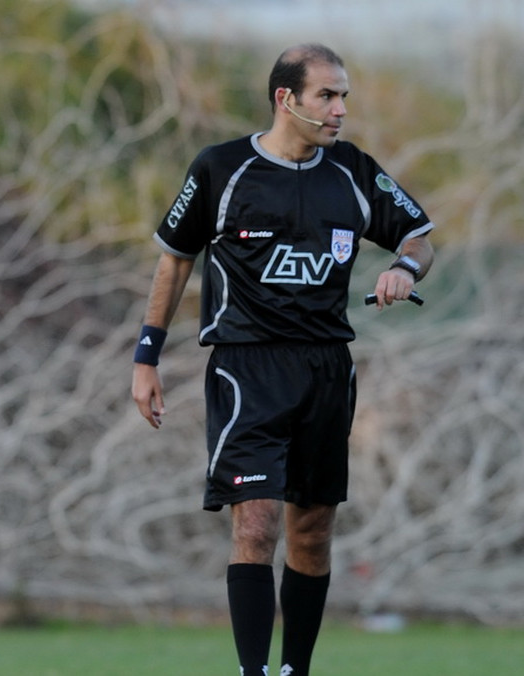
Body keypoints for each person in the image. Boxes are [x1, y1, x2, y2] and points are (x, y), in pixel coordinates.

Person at [130, 43, 435, 676]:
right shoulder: (222, 169)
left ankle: (295, 669)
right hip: (247, 367)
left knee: (312, 531)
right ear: (285, 99)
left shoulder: (351, 170)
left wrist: (404, 267)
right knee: (257, 524)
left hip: (327, 368)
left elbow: (418, 237)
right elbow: (174, 258)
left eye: (344, 95)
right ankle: (252, 672)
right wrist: (147, 357)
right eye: (327, 95)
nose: (340, 109)